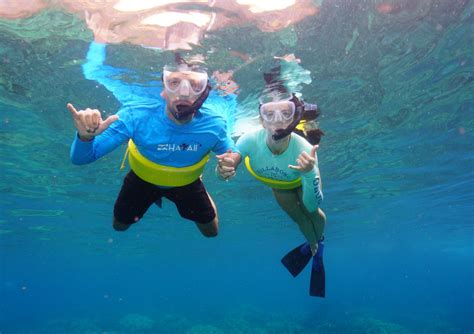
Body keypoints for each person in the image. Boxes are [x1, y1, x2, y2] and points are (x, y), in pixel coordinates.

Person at [68, 53, 240, 237]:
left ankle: (201, 187)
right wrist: (85, 137)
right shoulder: (136, 116)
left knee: (211, 232)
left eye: (195, 85)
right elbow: (80, 159)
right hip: (142, 179)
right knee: (119, 226)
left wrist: (231, 162)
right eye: (174, 82)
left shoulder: (214, 124)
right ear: (163, 90)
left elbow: (232, 152)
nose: (183, 92)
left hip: (187, 182)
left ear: (205, 92)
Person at [216, 61, 327, 296]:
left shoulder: (304, 149)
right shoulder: (249, 139)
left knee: (311, 213)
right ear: (261, 119)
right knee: (299, 219)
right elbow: (233, 159)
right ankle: (313, 246)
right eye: (269, 113)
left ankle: (319, 244)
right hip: (279, 185)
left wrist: (308, 173)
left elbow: (313, 204)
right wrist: (225, 169)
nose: (277, 119)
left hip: (302, 180)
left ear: (295, 117)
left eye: (286, 112)